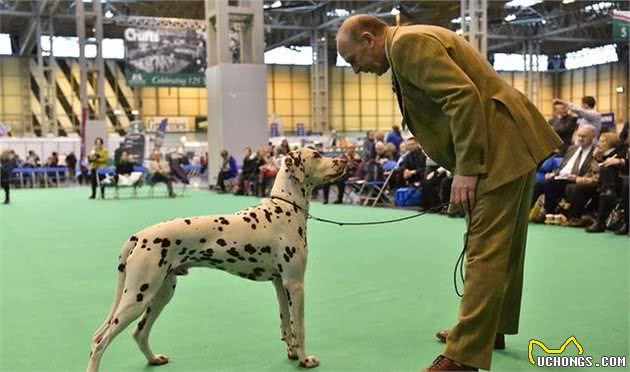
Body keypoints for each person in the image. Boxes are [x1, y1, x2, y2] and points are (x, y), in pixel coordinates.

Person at [337, 15, 562, 371]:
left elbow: (462, 97)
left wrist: (467, 169)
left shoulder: (408, 45)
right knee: (503, 245)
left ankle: (463, 357)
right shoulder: (410, 42)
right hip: (509, 141)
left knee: (483, 250)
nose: (355, 70)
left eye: (353, 60)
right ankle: (490, 329)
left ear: (368, 39)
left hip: (497, 148)